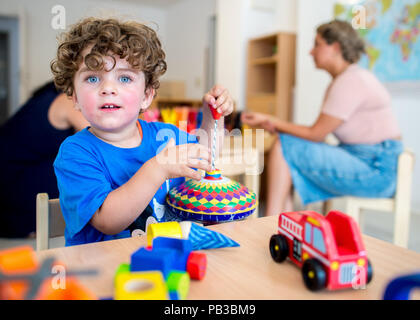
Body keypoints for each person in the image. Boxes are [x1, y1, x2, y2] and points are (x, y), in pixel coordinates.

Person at [51, 17, 234, 246]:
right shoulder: (75, 153)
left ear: (146, 96)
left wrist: (213, 118)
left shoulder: (165, 136)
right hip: (102, 272)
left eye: (125, 78)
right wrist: (158, 168)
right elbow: (107, 220)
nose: (108, 88)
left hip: (164, 263)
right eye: (93, 77)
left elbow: (205, 157)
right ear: (75, 98)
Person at [241, 20, 403, 216]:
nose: (311, 51)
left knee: (284, 145)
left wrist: (273, 120)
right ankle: (281, 219)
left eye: (317, 44)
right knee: (288, 145)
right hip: (369, 160)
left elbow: (315, 133)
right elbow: (316, 132)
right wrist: (274, 124)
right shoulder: (350, 78)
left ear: (335, 47)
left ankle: (272, 218)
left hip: (375, 169)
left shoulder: (350, 81)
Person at [0, 81, 89, 238]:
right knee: (79, 163)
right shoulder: (68, 101)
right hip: (11, 190)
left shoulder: (52, 94)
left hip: (15, 180)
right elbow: (102, 143)